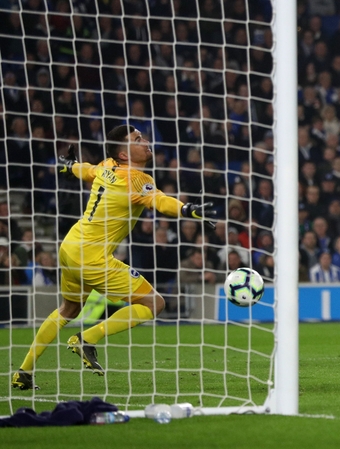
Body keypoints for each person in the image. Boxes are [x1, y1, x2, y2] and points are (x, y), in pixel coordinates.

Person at [11, 125, 216, 390]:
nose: (146, 142)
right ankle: (87, 338)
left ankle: (23, 372)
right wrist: (185, 209)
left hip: (70, 247)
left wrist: (69, 166)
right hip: (92, 256)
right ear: (123, 153)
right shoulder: (137, 180)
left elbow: (87, 170)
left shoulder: (107, 165)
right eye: (138, 140)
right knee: (154, 303)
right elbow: (160, 200)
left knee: (68, 310)